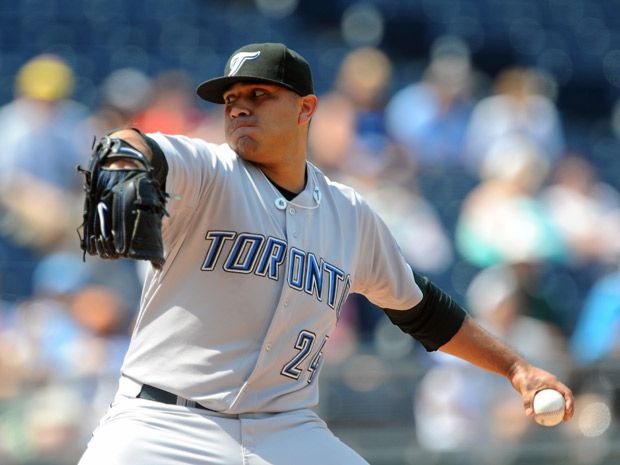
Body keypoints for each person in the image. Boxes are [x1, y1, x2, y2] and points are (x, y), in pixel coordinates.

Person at [77, 43, 574, 465]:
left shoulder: (349, 214)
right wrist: (125, 159)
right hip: (164, 422)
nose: (238, 108)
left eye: (258, 94)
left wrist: (516, 368)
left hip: (285, 431)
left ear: (306, 109)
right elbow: (136, 145)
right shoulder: (208, 171)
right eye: (230, 99)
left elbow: (424, 312)